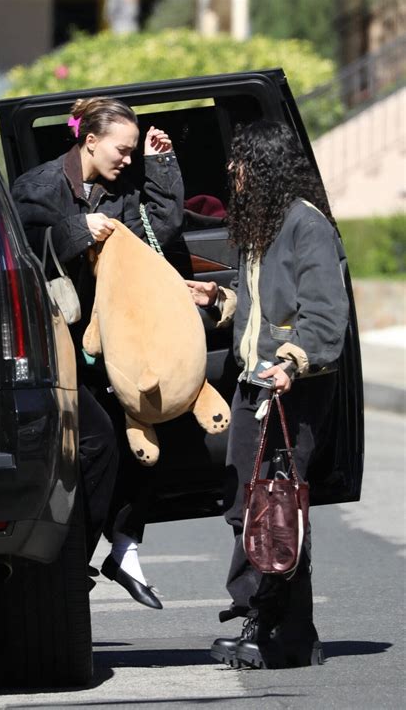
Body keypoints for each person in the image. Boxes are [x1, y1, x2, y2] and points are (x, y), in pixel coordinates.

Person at [186, 120, 349, 669]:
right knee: (264, 506)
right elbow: (263, 310)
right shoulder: (263, 227)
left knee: (270, 509)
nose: (232, 171)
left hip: (289, 390)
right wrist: (220, 299)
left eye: (241, 161)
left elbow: (325, 318)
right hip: (256, 387)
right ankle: (295, 633)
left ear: (266, 165)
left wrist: (290, 365)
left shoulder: (308, 225)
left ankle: (260, 622)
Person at [12, 96, 184, 609]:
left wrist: (161, 167)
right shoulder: (37, 188)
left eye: (134, 153)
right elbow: (18, 253)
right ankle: (75, 558)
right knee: (100, 442)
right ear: (89, 141)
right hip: (55, 346)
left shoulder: (121, 190)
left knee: (144, 430)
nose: (127, 160)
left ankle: (124, 546)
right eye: (123, 150)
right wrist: (72, 231)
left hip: (115, 340)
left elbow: (158, 237)